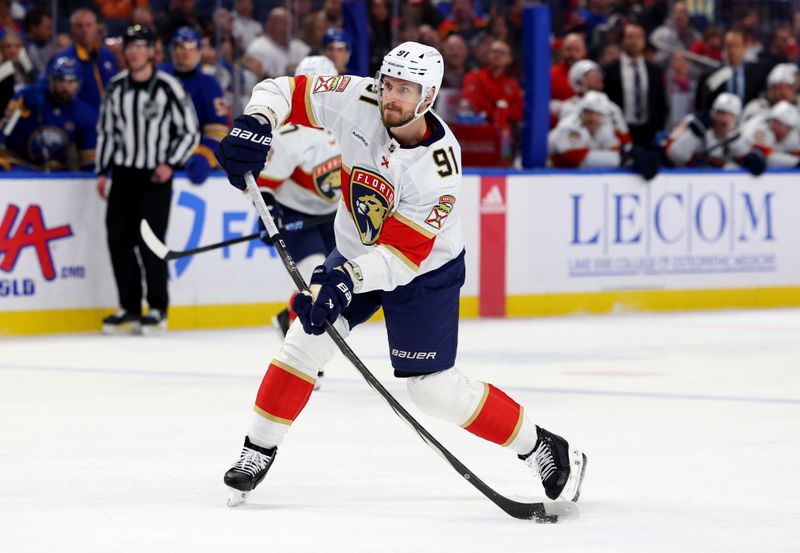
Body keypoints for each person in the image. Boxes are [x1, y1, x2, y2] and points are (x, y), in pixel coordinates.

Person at [214, 41, 587, 506]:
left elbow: (402, 257)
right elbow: (281, 89)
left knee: (431, 391)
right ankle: (256, 450)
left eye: (405, 89)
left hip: (423, 270)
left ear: (428, 97)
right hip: (356, 253)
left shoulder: (437, 168)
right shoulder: (359, 98)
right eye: (389, 83)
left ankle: (541, 447)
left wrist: (344, 279)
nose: (391, 96)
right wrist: (258, 123)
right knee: (304, 340)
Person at [96, 25, 200, 335]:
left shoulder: (168, 86)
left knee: (151, 242)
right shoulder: (115, 87)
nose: (135, 51)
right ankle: (128, 307)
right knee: (118, 242)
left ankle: (157, 308)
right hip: (123, 175)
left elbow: (190, 131)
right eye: (130, 46)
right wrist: (102, 171)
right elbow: (108, 133)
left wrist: (170, 163)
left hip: (155, 177)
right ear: (124, 51)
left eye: (141, 46)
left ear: (152, 51)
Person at [256, 55, 341, 352]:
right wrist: (268, 215)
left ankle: (286, 318)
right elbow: (263, 186)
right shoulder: (288, 135)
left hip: (335, 217)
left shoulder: (350, 125)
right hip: (297, 217)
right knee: (313, 281)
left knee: (336, 283)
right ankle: (302, 352)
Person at [159, 27, 230, 185]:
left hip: (192, 159)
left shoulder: (209, 85)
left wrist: (204, 156)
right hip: (156, 160)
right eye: (180, 46)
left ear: (199, 51)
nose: (185, 52)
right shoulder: (158, 77)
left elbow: (218, 129)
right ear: (172, 50)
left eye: (191, 47)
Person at [0, 56, 97, 171]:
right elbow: (3, 130)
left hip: (57, 171)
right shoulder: (27, 97)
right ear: (51, 79)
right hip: (19, 164)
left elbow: (89, 161)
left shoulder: (84, 112)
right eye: (61, 80)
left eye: (71, 81)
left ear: (79, 83)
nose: (66, 87)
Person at [603, 23, 668, 148]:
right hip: (618, 131)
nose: (634, 41)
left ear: (644, 41)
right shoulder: (609, 70)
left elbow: (661, 103)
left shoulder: (655, 71)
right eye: (630, 37)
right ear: (622, 40)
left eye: (638, 37)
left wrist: (658, 128)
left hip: (648, 133)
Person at [664, 92, 763, 174]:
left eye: (730, 115)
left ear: (736, 119)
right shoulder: (695, 125)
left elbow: (742, 160)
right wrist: (694, 134)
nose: (725, 120)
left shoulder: (737, 134)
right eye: (721, 113)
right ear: (713, 113)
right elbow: (675, 156)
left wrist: (751, 160)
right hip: (689, 177)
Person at [46, 8, 118, 113]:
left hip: (108, 118)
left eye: (89, 25)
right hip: (77, 120)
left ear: (96, 28)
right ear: (72, 29)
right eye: (80, 26)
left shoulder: (107, 55)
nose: (85, 30)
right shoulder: (62, 58)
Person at [557, 59, 630, 144]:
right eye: (592, 76)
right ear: (579, 82)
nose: (598, 78)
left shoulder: (612, 107)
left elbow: (625, 139)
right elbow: (566, 139)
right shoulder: (569, 106)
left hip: (609, 152)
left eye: (598, 74)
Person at [695, 31, 761, 115]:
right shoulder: (711, 76)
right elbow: (702, 106)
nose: (732, 50)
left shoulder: (756, 75)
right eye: (729, 46)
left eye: (736, 46)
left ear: (745, 48)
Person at [462, 39, 523, 126]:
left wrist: (491, 107)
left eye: (502, 52)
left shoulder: (513, 85)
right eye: (494, 51)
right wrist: (501, 110)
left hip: (504, 133)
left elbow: (518, 113)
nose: (497, 55)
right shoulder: (473, 77)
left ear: (510, 59)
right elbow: (475, 105)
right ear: (488, 55)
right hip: (478, 129)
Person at [243, 7, 310, 80]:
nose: (291, 28)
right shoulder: (258, 48)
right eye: (285, 24)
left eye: (291, 24)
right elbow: (261, 79)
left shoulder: (297, 45)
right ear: (272, 25)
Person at [742, 100, 800, 168]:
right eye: (778, 123)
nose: (782, 129)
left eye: (787, 127)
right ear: (772, 121)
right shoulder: (759, 128)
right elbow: (767, 159)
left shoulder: (793, 135)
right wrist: (795, 162)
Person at [551, 33, 587, 102]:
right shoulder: (551, 74)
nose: (572, 54)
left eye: (577, 50)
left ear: (584, 52)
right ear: (562, 50)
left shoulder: (593, 74)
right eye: (568, 49)